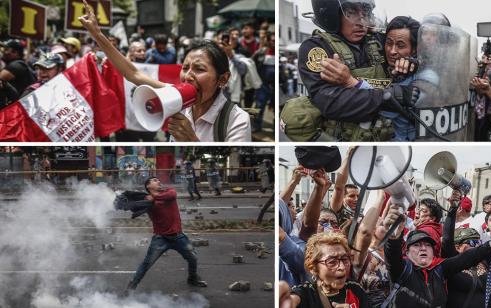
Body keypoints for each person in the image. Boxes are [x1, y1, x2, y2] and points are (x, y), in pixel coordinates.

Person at [78, 0, 251, 142]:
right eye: (184, 68)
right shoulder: (176, 97)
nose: (188, 76)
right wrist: (97, 33)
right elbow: (133, 74)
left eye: (199, 69)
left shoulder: (237, 120)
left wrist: (191, 140)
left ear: (222, 79)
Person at [285, 0, 413, 142]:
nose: (361, 21)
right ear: (330, 14)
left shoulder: (379, 41)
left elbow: (414, 47)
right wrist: (389, 96)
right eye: (351, 13)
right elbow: (332, 102)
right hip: (346, 140)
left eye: (365, 12)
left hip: (388, 137)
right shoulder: (317, 48)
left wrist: (411, 62)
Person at [382, 203, 491, 308]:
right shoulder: (403, 269)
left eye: (428, 245)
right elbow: (392, 255)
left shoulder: (440, 268)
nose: (423, 248)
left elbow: (471, 257)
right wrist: (393, 238)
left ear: (433, 251)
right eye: (417, 245)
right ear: (407, 252)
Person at [126, 177, 207, 290]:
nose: (158, 181)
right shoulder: (146, 200)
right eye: (155, 180)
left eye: (158, 180)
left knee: (193, 258)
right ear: (148, 186)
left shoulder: (169, 192)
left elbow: (172, 196)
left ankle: (192, 278)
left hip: (178, 237)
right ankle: (131, 287)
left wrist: (153, 197)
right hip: (160, 239)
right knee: (146, 264)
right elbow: (135, 206)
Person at [286, 232, 371, 308]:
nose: (342, 267)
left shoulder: (355, 290)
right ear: (313, 268)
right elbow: (290, 301)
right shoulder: (305, 294)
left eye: (345, 259)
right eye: (332, 262)